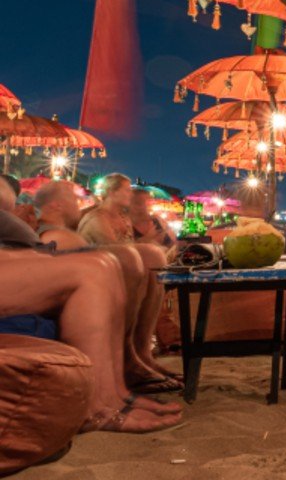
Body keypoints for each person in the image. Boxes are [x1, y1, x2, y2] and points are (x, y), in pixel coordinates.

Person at [0, 179, 183, 432]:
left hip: (21, 248)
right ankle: (97, 406)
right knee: (93, 269)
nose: (78, 202)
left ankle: (117, 390)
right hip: (26, 249)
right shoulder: (91, 220)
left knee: (106, 264)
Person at [33, 180, 180, 393]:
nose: (80, 202)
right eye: (73, 198)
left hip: (79, 267)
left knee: (151, 256)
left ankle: (142, 354)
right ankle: (127, 357)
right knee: (134, 256)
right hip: (69, 279)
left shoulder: (88, 223)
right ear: (56, 205)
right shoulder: (54, 232)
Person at [127, 187, 176, 253]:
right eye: (139, 203)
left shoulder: (158, 220)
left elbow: (174, 243)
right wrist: (146, 240)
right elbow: (128, 251)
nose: (148, 206)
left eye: (150, 202)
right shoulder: (126, 226)